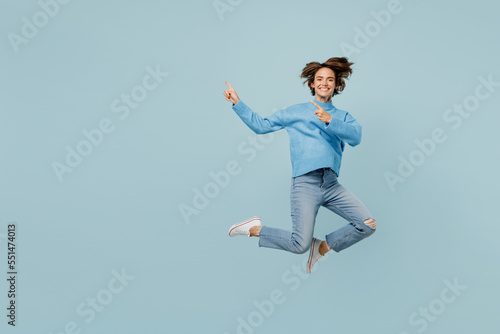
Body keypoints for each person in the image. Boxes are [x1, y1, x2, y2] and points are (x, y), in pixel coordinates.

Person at [223, 57, 377, 273]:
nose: (324, 83)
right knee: (299, 245)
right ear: (312, 84)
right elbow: (261, 126)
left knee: (367, 224)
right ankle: (253, 228)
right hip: (305, 184)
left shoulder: (342, 116)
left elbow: (356, 137)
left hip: (331, 184)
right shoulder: (295, 112)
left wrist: (330, 120)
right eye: (320, 79)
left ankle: (322, 247)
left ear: (337, 85)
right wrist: (237, 103)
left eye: (330, 80)